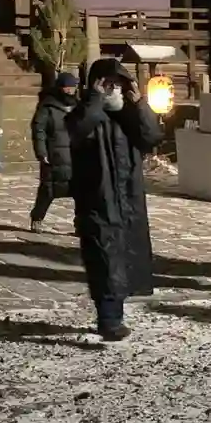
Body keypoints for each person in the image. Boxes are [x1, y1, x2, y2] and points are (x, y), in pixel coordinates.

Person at [67, 58, 163, 340]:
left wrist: (140, 104)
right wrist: (95, 99)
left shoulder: (128, 116)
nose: (114, 90)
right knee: (104, 257)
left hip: (129, 198)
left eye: (119, 85)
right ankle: (109, 320)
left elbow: (152, 136)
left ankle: (115, 313)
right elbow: (76, 130)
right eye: (108, 84)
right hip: (98, 198)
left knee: (125, 255)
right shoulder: (84, 112)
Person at [29, 72, 78, 231]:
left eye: (72, 87)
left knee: (81, 193)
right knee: (48, 190)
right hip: (54, 156)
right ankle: (37, 217)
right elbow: (39, 130)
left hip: (76, 155)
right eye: (67, 87)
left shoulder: (78, 106)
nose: (70, 91)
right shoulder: (47, 107)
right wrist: (41, 152)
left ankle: (80, 225)